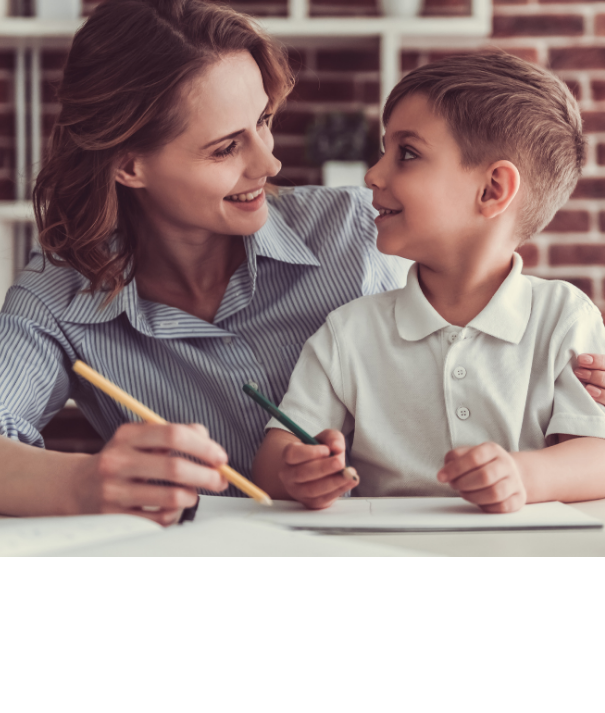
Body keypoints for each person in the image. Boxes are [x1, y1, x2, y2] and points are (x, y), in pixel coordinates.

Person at [0, 0, 408, 523]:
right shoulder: (59, 298)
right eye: (226, 147)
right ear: (129, 166)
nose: (269, 164)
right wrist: (86, 482)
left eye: (263, 121)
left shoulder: (359, 233)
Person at [253, 54, 605, 513]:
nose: (373, 175)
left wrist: (522, 475)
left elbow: (596, 456)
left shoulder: (564, 318)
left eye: (408, 154)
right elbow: (271, 465)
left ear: (493, 189)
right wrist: (297, 474)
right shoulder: (349, 331)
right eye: (385, 151)